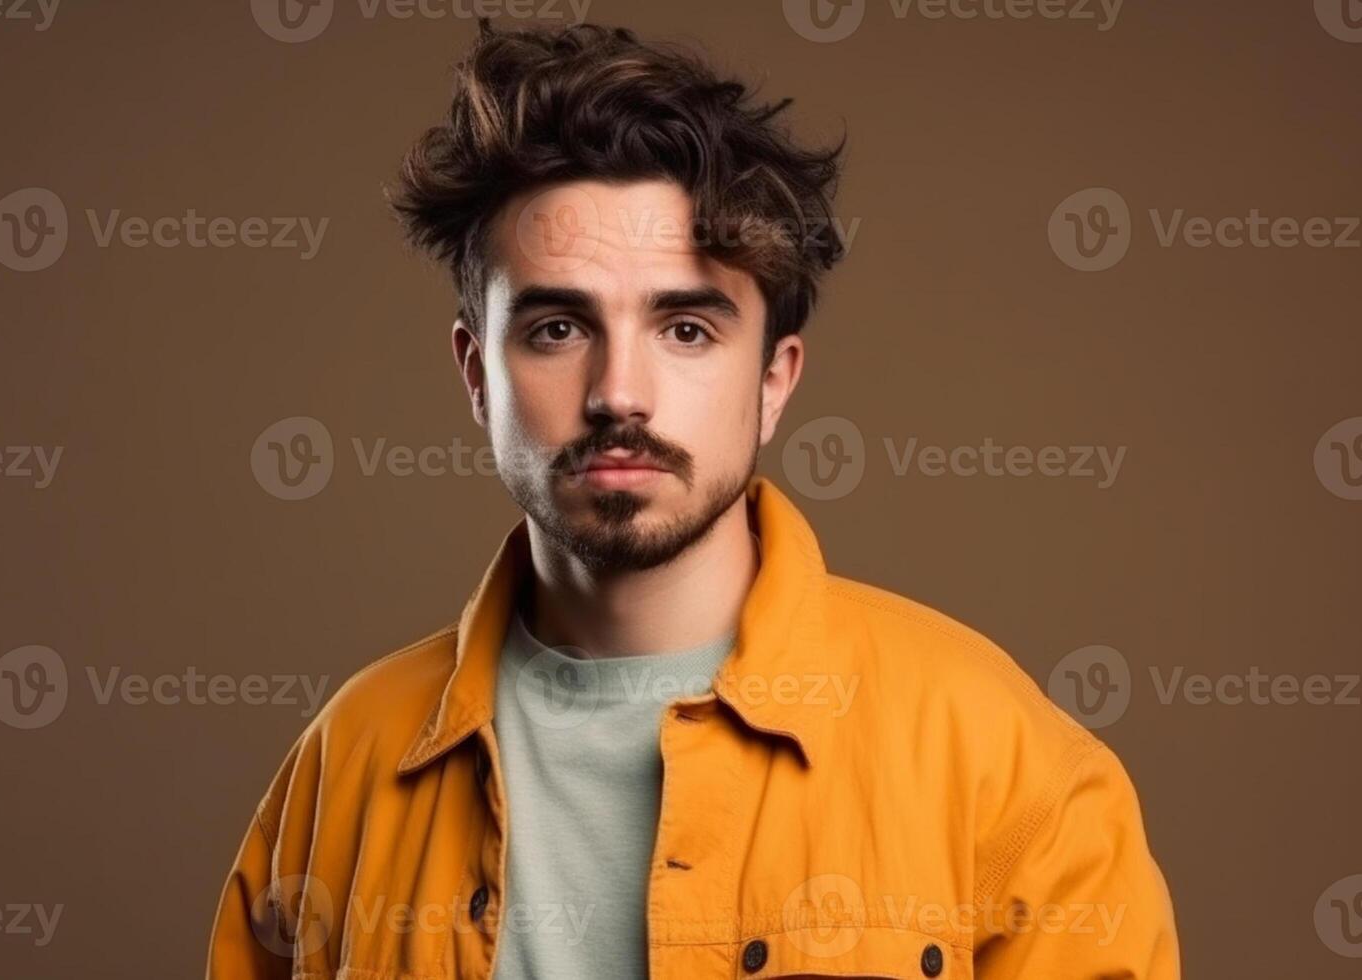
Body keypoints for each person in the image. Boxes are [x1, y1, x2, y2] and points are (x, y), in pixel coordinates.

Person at [208, 20, 1180, 979]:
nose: (618, 391)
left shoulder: (1006, 763)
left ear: (774, 376)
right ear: (476, 371)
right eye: (555, 326)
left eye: (685, 328)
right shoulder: (346, 760)